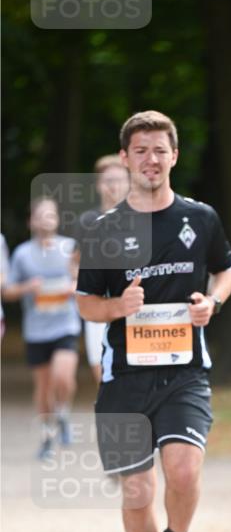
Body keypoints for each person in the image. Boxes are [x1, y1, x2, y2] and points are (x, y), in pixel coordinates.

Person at [75, 110, 231, 532]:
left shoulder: (200, 217)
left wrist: (211, 302)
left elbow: (227, 268)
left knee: (184, 469)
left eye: (160, 150)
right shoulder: (103, 228)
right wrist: (117, 307)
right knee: (138, 489)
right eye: (141, 150)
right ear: (125, 159)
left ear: (175, 156)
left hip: (184, 370)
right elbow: (85, 304)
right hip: (123, 378)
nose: (151, 159)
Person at [3, 198, 80, 459]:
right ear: (31, 221)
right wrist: (28, 288)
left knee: (63, 377)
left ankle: (64, 412)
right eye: (40, 215)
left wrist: (74, 287)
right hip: (36, 330)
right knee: (44, 386)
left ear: (58, 219)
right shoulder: (23, 253)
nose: (46, 220)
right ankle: (48, 435)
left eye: (51, 215)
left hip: (65, 325)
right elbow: (8, 291)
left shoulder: (70, 248)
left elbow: (84, 279)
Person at [74, 155, 130, 384]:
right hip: (98, 303)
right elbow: (75, 262)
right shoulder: (87, 221)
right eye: (108, 181)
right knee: (102, 370)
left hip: (133, 303)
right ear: (98, 184)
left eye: (119, 180)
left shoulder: (141, 218)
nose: (113, 186)